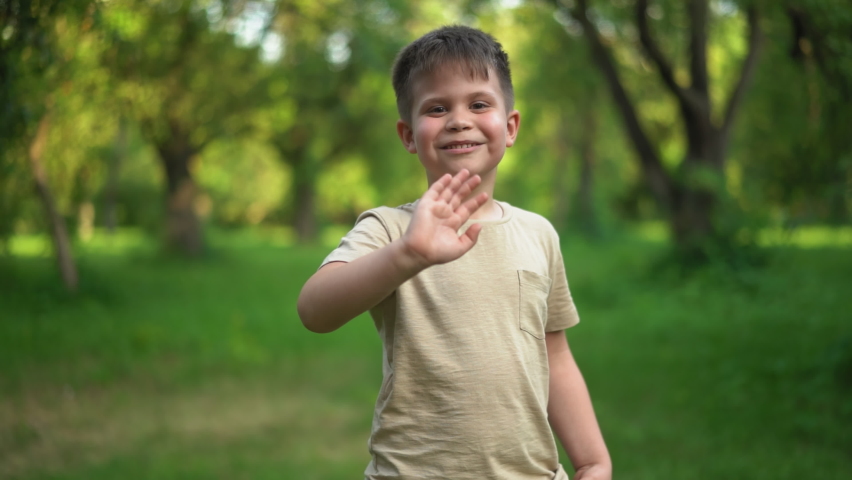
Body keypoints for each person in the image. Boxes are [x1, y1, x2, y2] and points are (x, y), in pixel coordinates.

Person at [297, 25, 611, 480]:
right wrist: (408, 254)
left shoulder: (538, 233)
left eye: (479, 104)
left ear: (510, 126)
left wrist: (592, 459)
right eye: (437, 108)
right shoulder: (391, 230)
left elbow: (554, 355)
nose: (459, 119)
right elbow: (314, 310)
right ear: (408, 135)